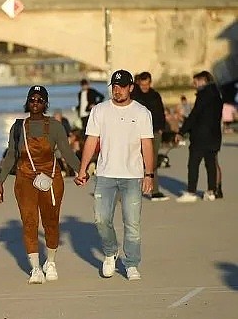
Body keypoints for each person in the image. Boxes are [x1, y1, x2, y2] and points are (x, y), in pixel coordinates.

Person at [0, 86, 81, 284]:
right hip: (24, 179)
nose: (35, 103)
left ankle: (50, 262)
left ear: (45, 103)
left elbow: (67, 152)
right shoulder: (18, 127)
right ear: (27, 102)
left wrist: (81, 171)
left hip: (51, 178)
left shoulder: (55, 126)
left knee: (51, 222)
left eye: (40, 100)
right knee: (29, 222)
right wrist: (1, 181)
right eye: (32, 99)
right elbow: (11, 155)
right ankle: (35, 268)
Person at [75, 69, 154, 281]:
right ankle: (110, 252)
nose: (117, 90)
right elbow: (91, 141)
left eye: (121, 86)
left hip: (132, 175)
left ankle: (131, 264)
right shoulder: (100, 111)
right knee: (101, 219)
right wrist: (83, 169)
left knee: (132, 223)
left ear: (131, 87)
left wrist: (149, 174)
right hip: (105, 174)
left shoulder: (141, 112)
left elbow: (147, 144)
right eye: (114, 86)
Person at [175, 71, 223, 202]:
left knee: (193, 164)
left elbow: (194, 115)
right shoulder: (217, 94)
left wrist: (181, 131)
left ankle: (191, 192)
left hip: (201, 136)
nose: (194, 85)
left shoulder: (203, 95)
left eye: (195, 82)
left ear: (203, 81)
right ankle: (211, 191)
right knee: (211, 164)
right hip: (214, 135)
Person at [131, 71, 169, 201]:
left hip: (155, 131)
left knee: (152, 162)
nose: (144, 87)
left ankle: (154, 190)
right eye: (142, 85)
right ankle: (129, 191)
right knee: (135, 161)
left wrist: (161, 129)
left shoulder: (155, 95)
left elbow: (161, 112)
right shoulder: (135, 95)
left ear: (150, 83)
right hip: (138, 133)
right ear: (139, 83)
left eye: (146, 85)